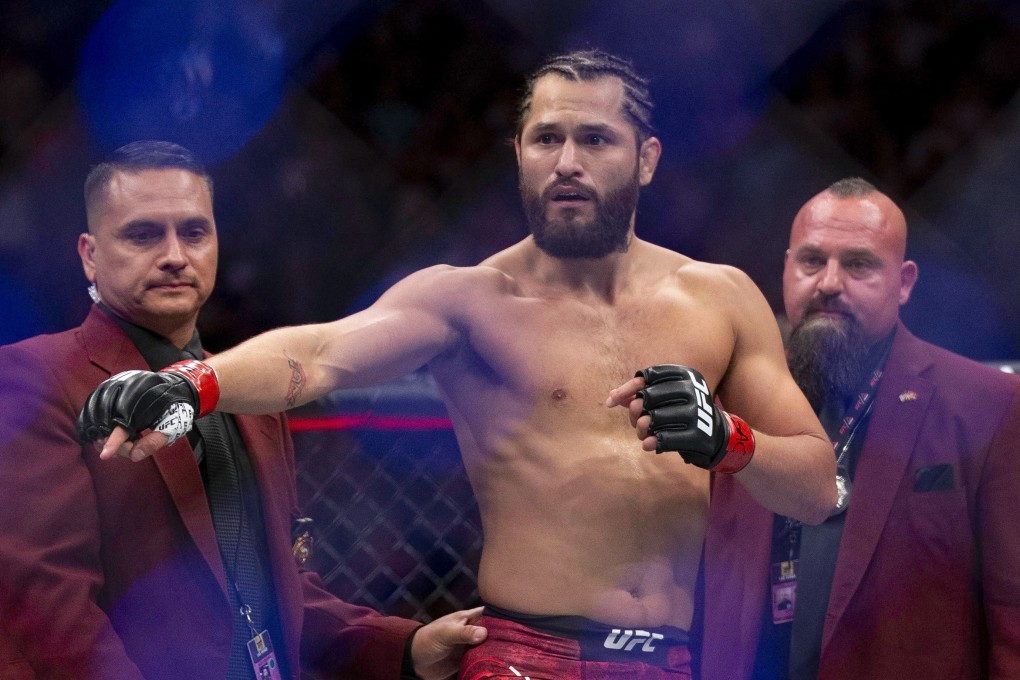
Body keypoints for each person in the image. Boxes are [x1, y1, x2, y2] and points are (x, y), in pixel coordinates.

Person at [77, 51, 836, 680]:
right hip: (523, 659)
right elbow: (318, 354)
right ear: (518, 155)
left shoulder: (723, 298)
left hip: (679, 661)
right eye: (546, 139)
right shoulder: (468, 302)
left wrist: (729, 441)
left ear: (647, 159)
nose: (567, 162)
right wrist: (193, 383)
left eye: (596, 140)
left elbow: (816, 487)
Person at [0, 140, 485, 680]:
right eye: (143, 234)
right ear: (90, 254)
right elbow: (51, 610)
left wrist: (407, 646)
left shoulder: (252, 392)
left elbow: (283, 593)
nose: (174, 255)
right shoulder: (35, 377)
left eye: (193, 232)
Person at [700, 177, 1020, 680]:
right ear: (786, 269)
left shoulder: (988, 404)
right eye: (812, 261)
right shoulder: (727, 407)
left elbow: (1011, 612)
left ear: (905, 281)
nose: (829, 282)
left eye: (859, 264)